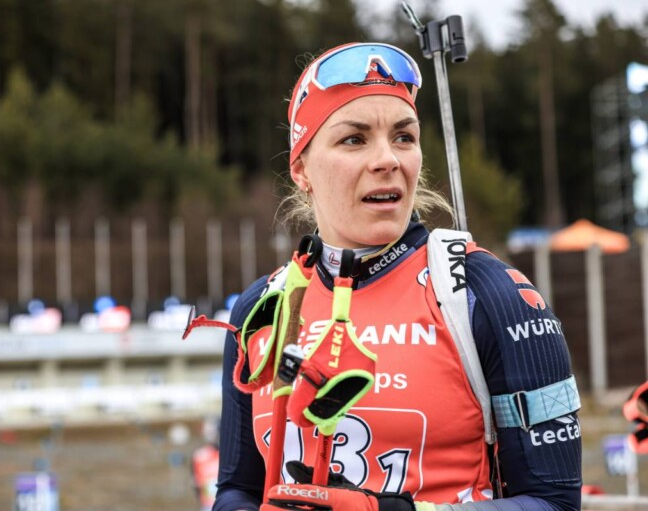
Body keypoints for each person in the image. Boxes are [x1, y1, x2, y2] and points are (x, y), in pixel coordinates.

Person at [211, 42, 582, 510]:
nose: (388, 159)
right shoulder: (261, 309)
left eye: (404, 137)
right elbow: (237, 490)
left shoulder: (485, 294)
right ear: (301, 168)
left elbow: (555, 503)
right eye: (354, 139)